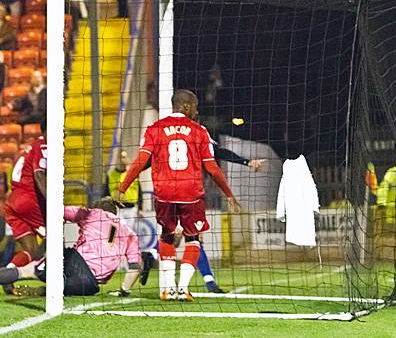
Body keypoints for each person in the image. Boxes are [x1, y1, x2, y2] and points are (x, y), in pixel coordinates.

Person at [118, 89, 241, 301]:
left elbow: (140, 162)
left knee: (167, 235)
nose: (197, 109)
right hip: (190, 193)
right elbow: (212, 168)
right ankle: (183, 289)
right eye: (195, 105)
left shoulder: (155, 129)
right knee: (193, 238)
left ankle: (168, 289)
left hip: (164, 192)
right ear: (187, 106)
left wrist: (123, 188)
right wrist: (228, 193)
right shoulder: (198, 131)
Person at [0, 198, 144, 297]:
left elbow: (58, 211)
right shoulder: (129, 233)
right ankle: (44, 290)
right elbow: (136, 266)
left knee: (27, 271)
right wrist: (124, 291)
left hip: (76, 263)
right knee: (60, 288)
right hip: (90, 285)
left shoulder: (92, 214)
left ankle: (31, 278)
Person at [2, 116, 46, 293]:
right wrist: (53, 202)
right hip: (31, 200)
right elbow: (38, 173)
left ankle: (7, 274)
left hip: (14, 201)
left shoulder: (26, 148)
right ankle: (55, 277)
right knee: (55, 235)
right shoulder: (44, 143)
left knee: (31, 251)